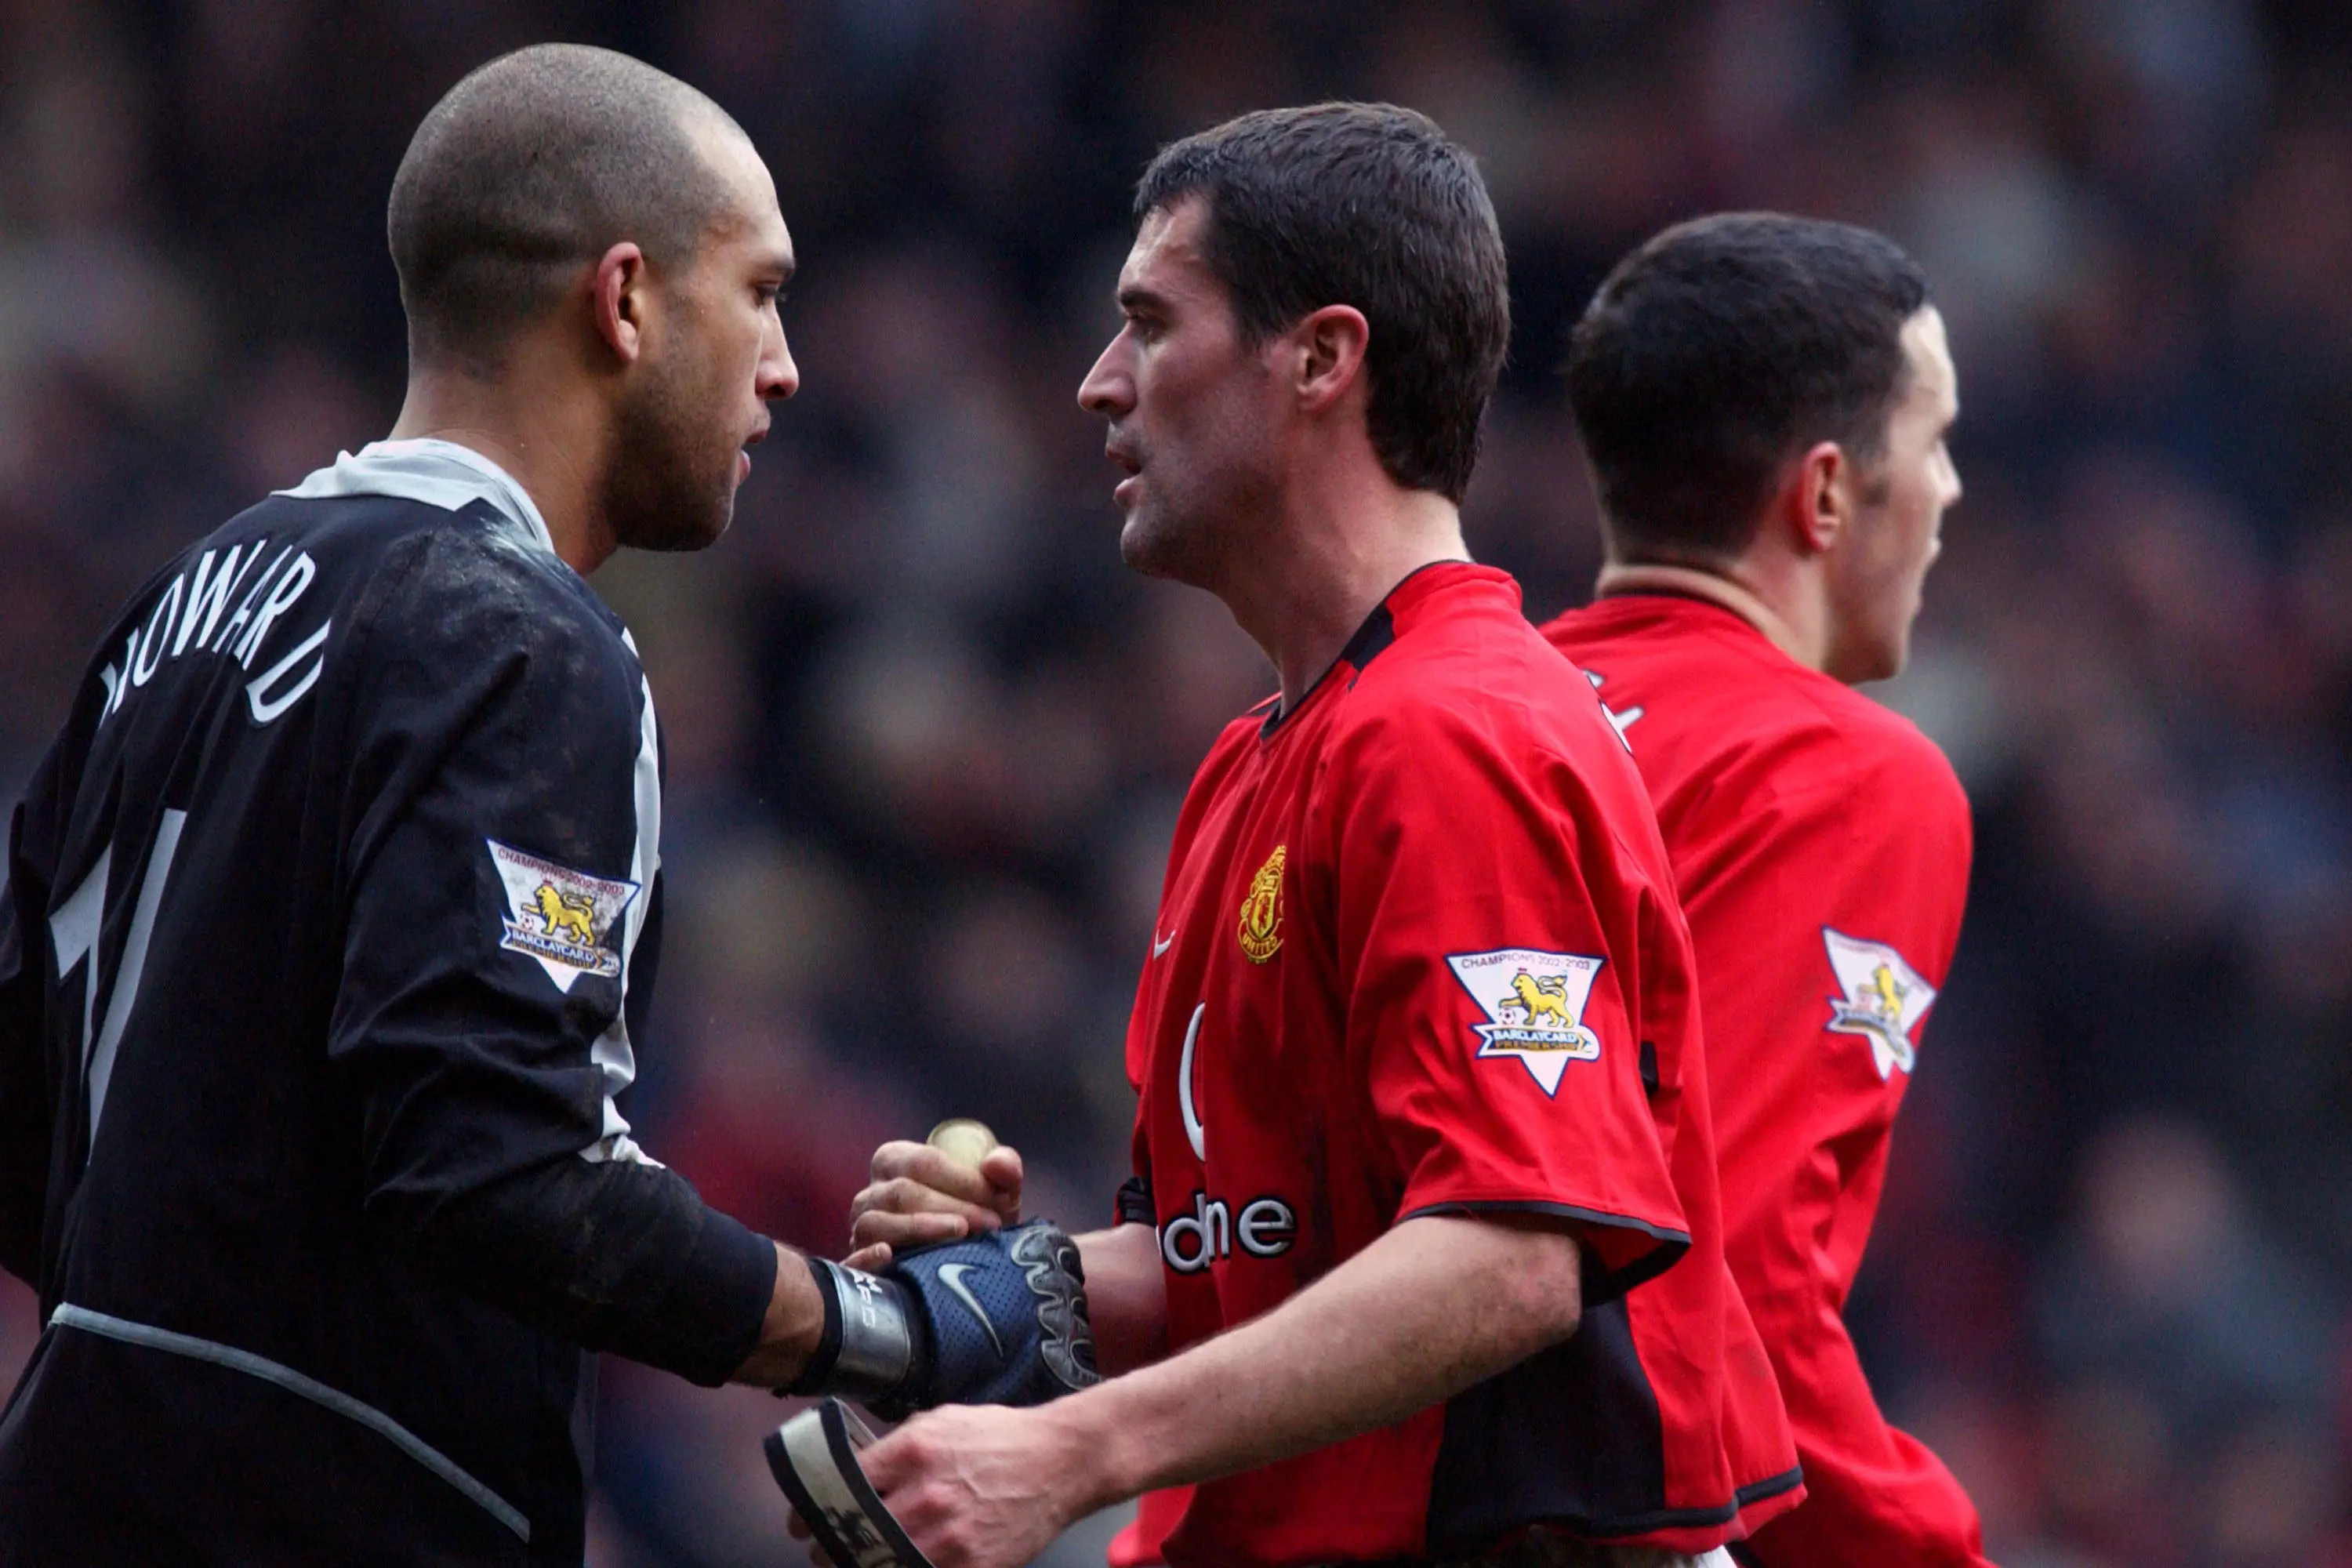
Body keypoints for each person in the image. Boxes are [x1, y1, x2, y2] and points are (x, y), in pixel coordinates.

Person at [0, 43, 1087, 1566]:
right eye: (760, 292)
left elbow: (24, 1118)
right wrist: (886, 1326)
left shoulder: (180, 608)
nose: (784, 363)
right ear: (626, 297)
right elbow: (498, 1168)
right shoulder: (511, 632)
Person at [821, 103, 1801, 1568]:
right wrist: (1007, 1295)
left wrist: (1071, 1451)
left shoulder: (1453, 730)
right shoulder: (1253, 765)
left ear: (1323, 359)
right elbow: (1262, 1248)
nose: (1098, 387)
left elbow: (1511, 1255)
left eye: (1150, 325)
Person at [1541, 213, 1991, 1567]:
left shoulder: (1419, 715)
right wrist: (1928, 1547)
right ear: (1829, 494)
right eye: (1936, 440)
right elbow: (1711, 1270)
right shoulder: (1843, 776)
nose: (1955, 489)